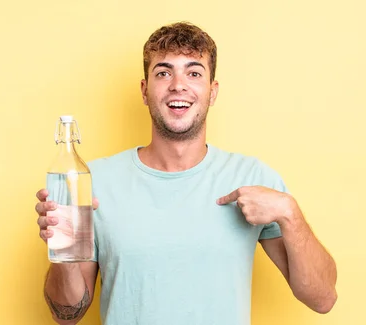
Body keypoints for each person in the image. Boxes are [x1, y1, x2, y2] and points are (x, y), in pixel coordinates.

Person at [35, 22, 337, 325]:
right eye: (163, 73)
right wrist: (63, 246)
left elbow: (322, 298)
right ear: (144, 90)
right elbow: (67, 315)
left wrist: (290, 213)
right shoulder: (93, 182)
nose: (178, 85)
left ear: (213, 91)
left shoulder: (252, 177)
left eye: (194, 73)